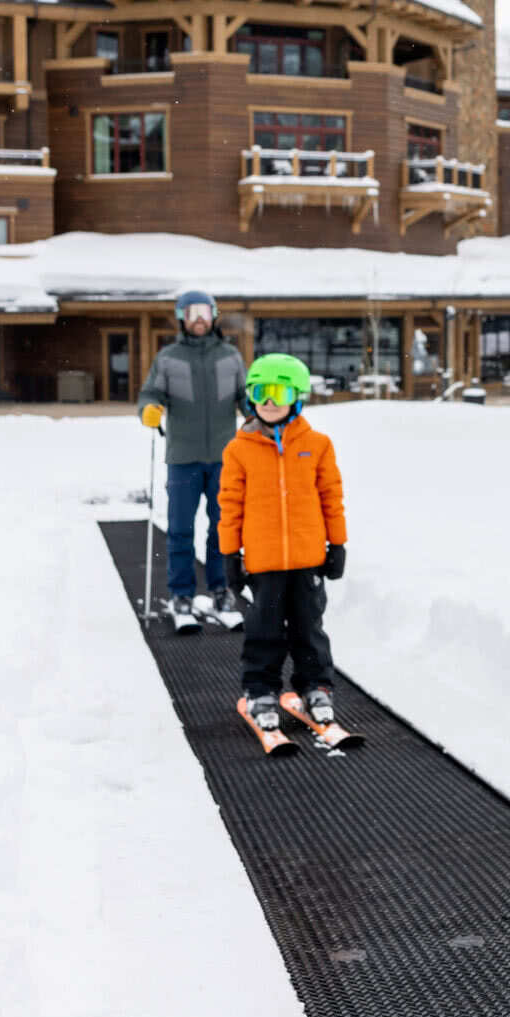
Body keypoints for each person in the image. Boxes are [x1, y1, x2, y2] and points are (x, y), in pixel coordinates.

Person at [218, 353, 348, 734]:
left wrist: (337, 545)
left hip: (308, 560)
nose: (269, 401)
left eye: (279, 392)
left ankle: (316, 686)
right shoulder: (238, 450)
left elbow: (331, 496)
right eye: (260, 391)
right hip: (263, 563)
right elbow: (229, 506)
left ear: (297, 396)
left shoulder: (317, 445)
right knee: (264, 631)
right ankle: (261, 691)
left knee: (310, 629)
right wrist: (229, 554)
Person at [139, 289, 247, 625]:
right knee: (181, 529)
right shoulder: (169, 357)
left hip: (224, 458)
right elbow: (150, 393)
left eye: (203, 312)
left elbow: (244, 398)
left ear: (214, 315)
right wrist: (150, 410)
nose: (198, 319)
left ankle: (220, 590)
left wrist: (258, 419)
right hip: (183, 457)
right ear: (181, 318)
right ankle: (181, 594)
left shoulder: (230, 356)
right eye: (191, 313)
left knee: (222, 529)